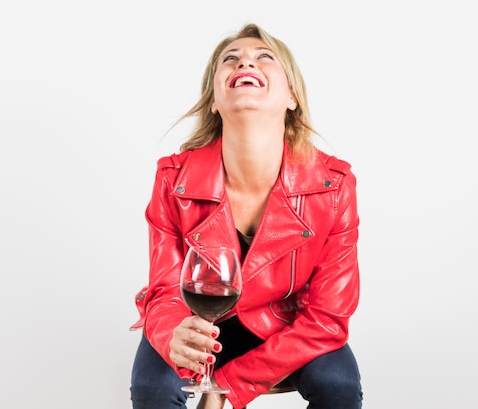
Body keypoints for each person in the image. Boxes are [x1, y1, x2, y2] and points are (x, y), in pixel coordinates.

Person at [129, 23, 363, 409]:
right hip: (195, 322)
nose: (245, 63)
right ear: (214, 102)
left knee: (336, 385)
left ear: (292, 97)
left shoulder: (334, 185)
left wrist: (225, 389)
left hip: (286, 328)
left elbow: (328, 316)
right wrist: (174, 332)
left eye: (264, 57)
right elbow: (166, 289)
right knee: (154, 389)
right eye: (231, 59)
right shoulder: (174, 179)